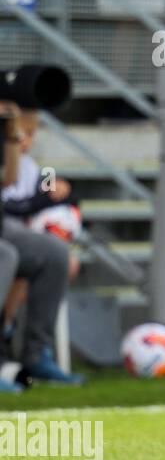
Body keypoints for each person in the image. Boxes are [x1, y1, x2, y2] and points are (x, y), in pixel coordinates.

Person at [0, 104, 82, 391]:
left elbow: (12, 182)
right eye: (18, 132)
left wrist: (60, 191)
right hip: (9, 230)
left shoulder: (31, 166)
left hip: (10, 226)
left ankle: (36, 355)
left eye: (28, 133)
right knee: (6, 256)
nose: (23, 138)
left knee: (56, 254)